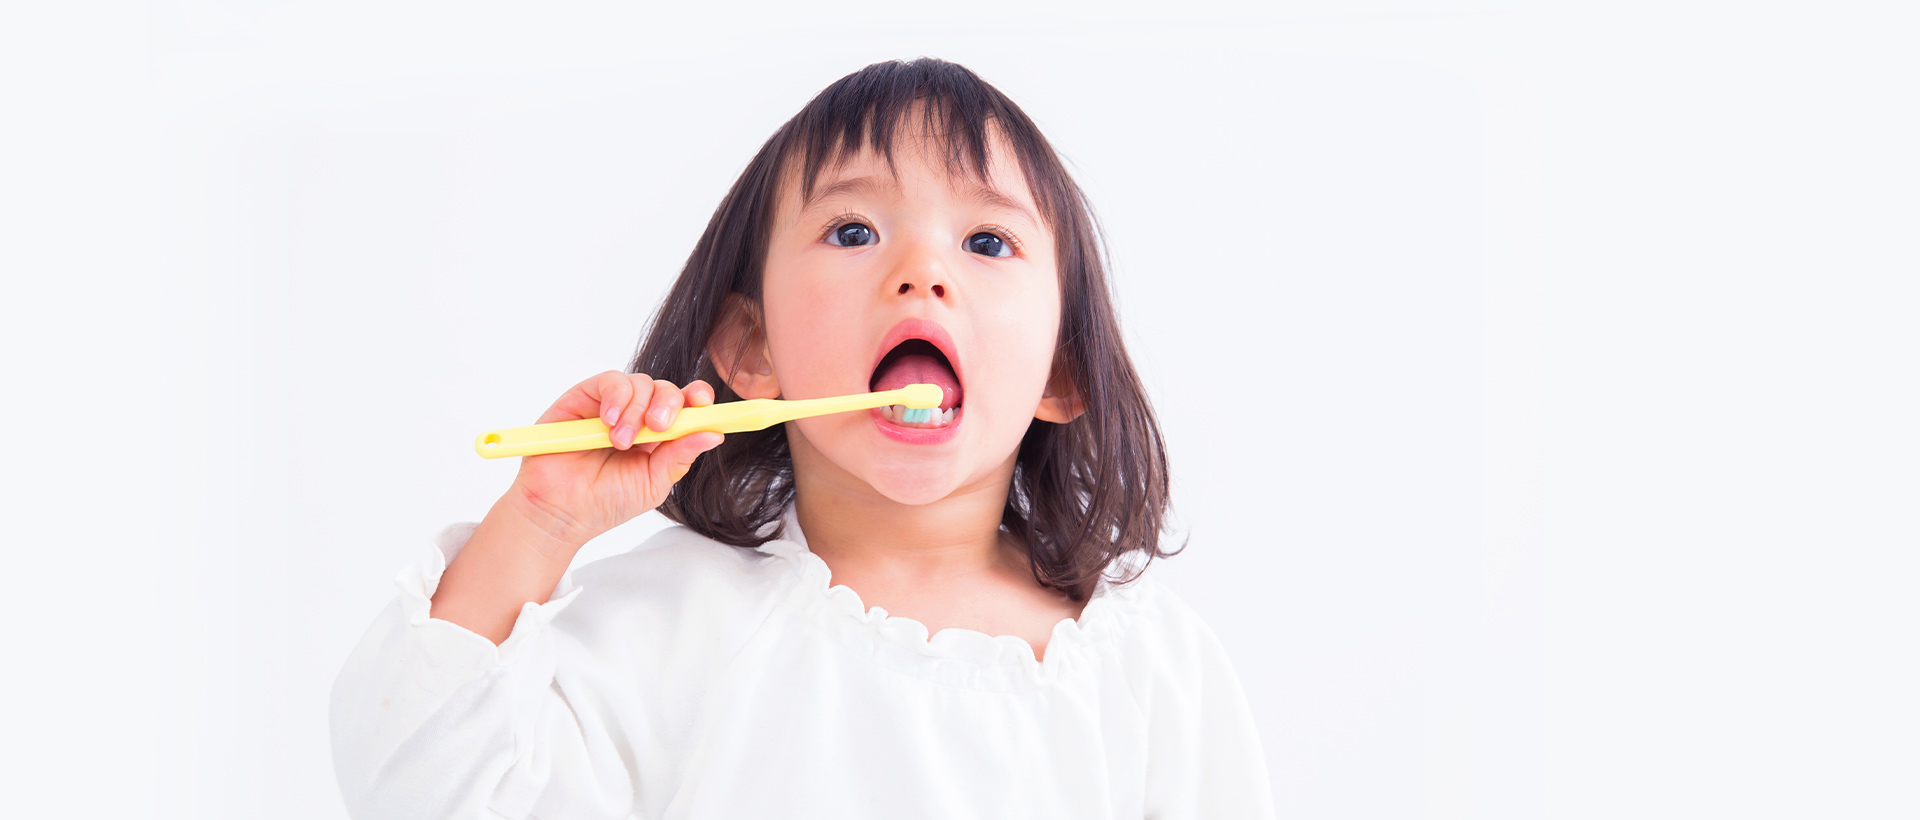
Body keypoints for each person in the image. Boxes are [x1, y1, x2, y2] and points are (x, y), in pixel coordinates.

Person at [330, 57, 1275, 819]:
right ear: (752, 350)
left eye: (987, 243)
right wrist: (539, 521)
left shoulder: (1152, 671)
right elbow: (421, 784)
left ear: (1063, 371)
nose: (923, 272)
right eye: (855, 228)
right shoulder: (674, 623)